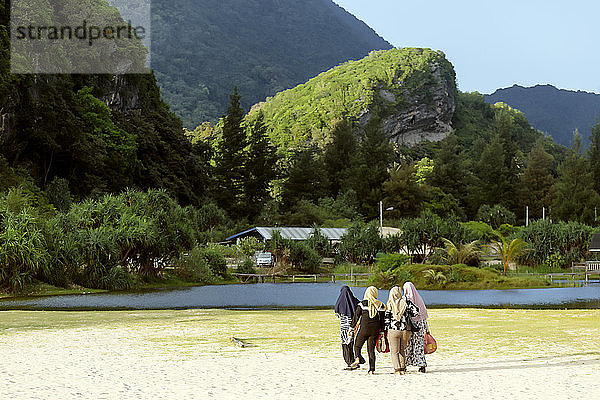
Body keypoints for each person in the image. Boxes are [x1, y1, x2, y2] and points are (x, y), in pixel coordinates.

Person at [350, 286, 386, 374]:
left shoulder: (362, 304)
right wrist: (382, 332)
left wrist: (351, 328)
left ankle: (358, 358)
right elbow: (382, 320)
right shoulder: (380, 305)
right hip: (375, 330)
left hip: (364, 329)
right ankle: (372, 369)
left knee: (357, 345)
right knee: (371, 350)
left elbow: (356, 317)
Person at [385, 286, 420, 374]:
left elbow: (386, 319)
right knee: (402, 349)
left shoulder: (390, 303)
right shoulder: (406, 302)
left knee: (394, 351)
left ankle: (397, 369)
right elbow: (416, 311)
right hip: (405, 330)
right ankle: (403, 368)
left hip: (393, 330)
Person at [403, 281, 429, 373]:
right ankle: (421, 365)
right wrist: (427, 329)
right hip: (420, 326)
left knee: (408, 345)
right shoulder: (419, 300)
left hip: (409, 326)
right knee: (419, 345)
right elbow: (424, 317)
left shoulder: (405, 299)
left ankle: (405, 365)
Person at [334, 286, 361, 370]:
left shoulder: (339, 302)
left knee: (345, 342)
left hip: (343, 326)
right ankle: (353, 359)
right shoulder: (354, 300)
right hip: (352, 325)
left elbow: (337, 313)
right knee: (351, 342)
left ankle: (349, 361)